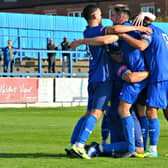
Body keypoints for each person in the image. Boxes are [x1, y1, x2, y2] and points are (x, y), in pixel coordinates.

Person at [65, 4, 151, 159]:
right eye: (101, 14)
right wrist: (135, 30)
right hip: (103, 78)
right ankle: (79, 145)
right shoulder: (95, 31)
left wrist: (81, 41)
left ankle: (72, 144)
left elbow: (110, 37)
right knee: (97, 112)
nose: (105, 17)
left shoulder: (88, 32)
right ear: (95, 16)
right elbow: (112, 35)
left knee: (89, 112)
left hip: (93, 78)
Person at [119, 13, 168, 158]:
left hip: (159, 76)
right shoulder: (162, 31)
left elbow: (141, 46)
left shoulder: (149, 31)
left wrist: (124, 36)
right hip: (166, 74)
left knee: (151, 111)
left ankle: (152, 149)